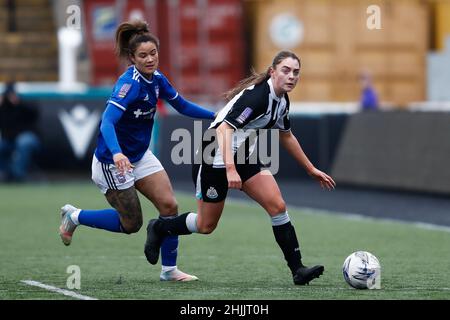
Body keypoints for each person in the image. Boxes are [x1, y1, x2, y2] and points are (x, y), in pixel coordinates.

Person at [144, 51, 337, 285]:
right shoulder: (257, 97)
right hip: (214, 155)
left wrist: (310, 169)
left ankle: (298, 269)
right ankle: (160, 227)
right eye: (286, 70)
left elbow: (286, 136)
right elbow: (224, 130)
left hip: (242, 156)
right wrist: (230, 169)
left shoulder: (282, 100)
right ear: (272, 72)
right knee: (206, 226)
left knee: (277, 205)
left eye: (296, 72)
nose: (291, 76)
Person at [58, 20, 216, 282]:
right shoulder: (128, 85)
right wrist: (118, 153)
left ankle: (169, 270)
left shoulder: (158, 79)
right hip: (112, 161)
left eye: (153, 53)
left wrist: (217, 116)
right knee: (131, 224)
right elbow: (107, 122)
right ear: (132, 58)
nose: (150, 59)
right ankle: (74, 216)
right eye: (143, 55)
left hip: (140, 156)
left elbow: (183, 106)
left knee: (169, 205)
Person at [0, 82, 41, 182]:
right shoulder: (3, 109)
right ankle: (6, 173)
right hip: (10, 139)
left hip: (28, 138)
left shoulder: (24, 105)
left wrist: (19, 103)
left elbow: (35, 113)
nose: (12, 97)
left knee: (23, 142)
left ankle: (19, 174)